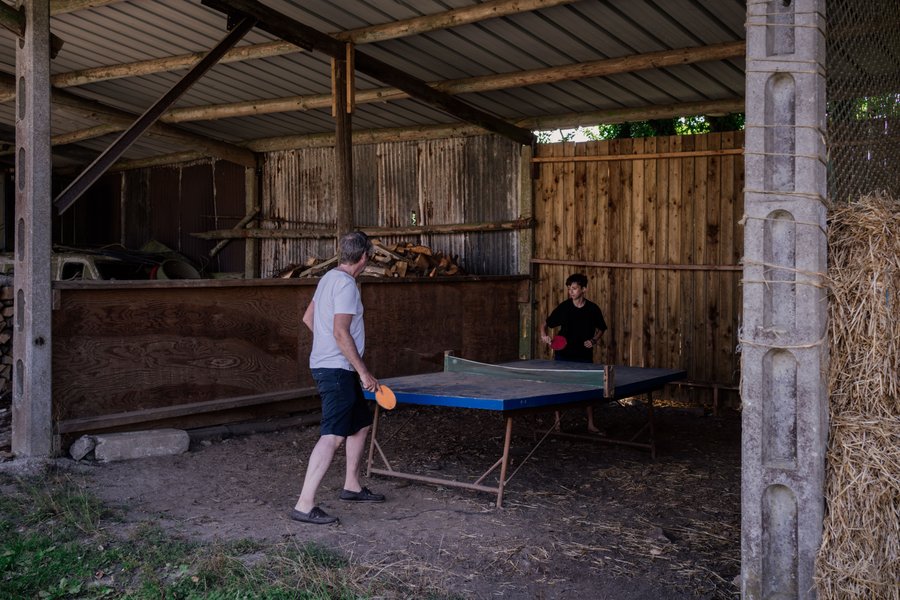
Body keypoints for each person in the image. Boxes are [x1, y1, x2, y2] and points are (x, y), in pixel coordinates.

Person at [292, 231, 385, 525]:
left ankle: (352, 486)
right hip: (337, 369)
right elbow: (341, 332)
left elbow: (309, 319)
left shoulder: (328, 278)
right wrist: (363, 371)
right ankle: (304, 504)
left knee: (359, 424)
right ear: (365, 257)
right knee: (332, 434)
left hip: (334, 365)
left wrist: (332, 349)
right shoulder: (346, 285)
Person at [540, 273, 608, 433]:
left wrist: (594, 340)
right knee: (559, 387)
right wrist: (544, 335)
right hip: (563, 354)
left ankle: (590, 424)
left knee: (589, 389)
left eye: (574, 288)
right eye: (569, 288)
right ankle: (557, 422)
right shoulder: (564, 308)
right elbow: (545, 324)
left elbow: (602, 328)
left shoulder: (592, 309)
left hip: (583, 356)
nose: (571, 291)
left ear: (584, 289)